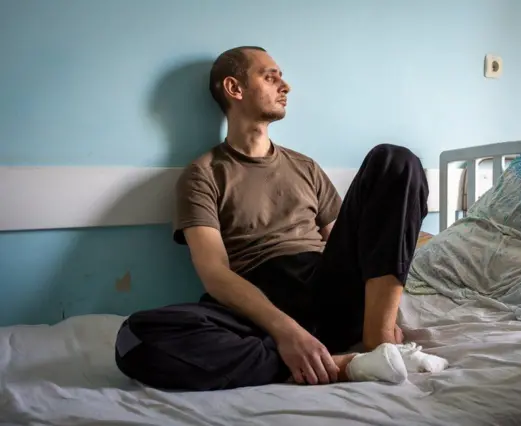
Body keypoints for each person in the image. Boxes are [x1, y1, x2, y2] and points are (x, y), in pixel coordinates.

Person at [114, 46, 446, 391]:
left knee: (396, 161)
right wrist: (286, 331)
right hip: (258, 304)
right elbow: (215, 274)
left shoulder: (305, 167)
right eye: (270, 76)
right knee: (135, 337)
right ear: (234, 88)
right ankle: (344, 364)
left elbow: (349, 246)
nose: (284, 86)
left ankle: (381, 344)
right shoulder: (204, 175)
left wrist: (384, 305)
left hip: (325, 289)